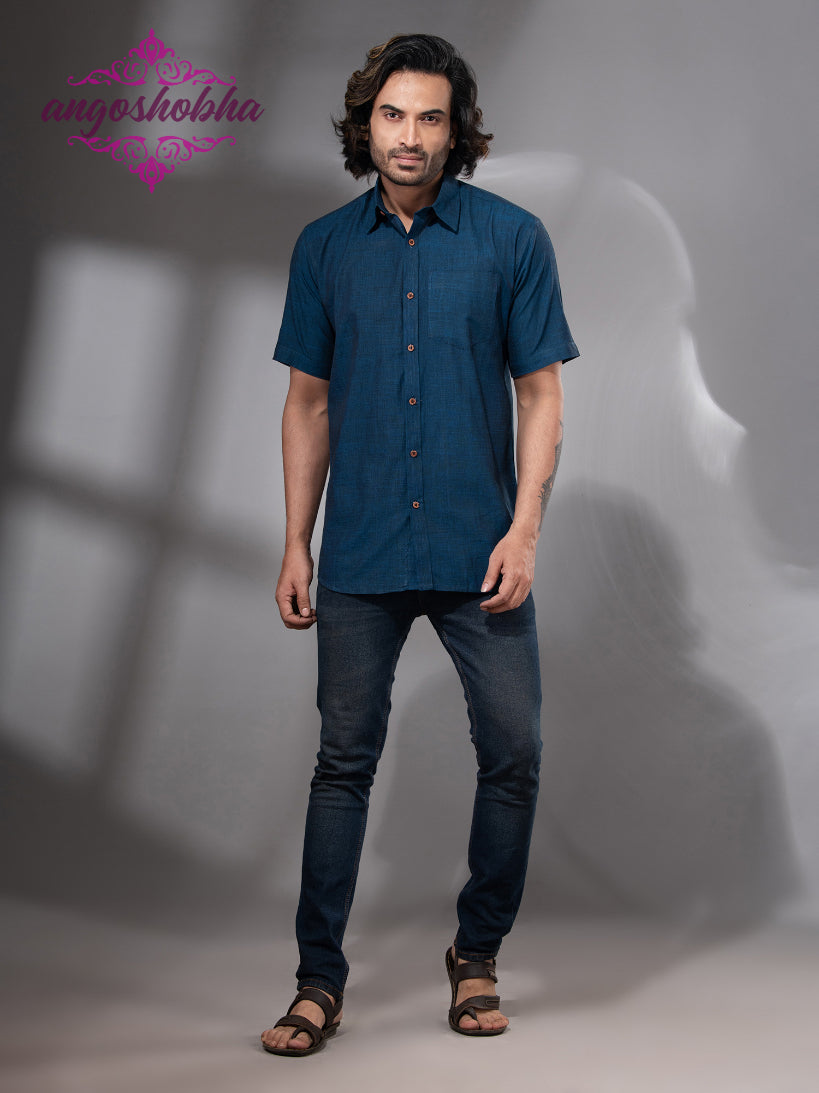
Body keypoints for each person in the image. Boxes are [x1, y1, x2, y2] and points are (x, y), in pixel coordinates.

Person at [261, 33, 578, 1056]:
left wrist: (524, 529)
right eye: (392, 115)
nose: (409, 136)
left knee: (515, 751)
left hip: (480, 547)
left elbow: (541, 395)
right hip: (359, 548)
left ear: (456, 131)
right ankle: (317, 981)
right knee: (342, 763)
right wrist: (296, 542)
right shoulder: (324, 248)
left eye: (430, 117)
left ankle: (475, 954)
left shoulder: (512, 239)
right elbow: (307, 404)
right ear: (367, 125)